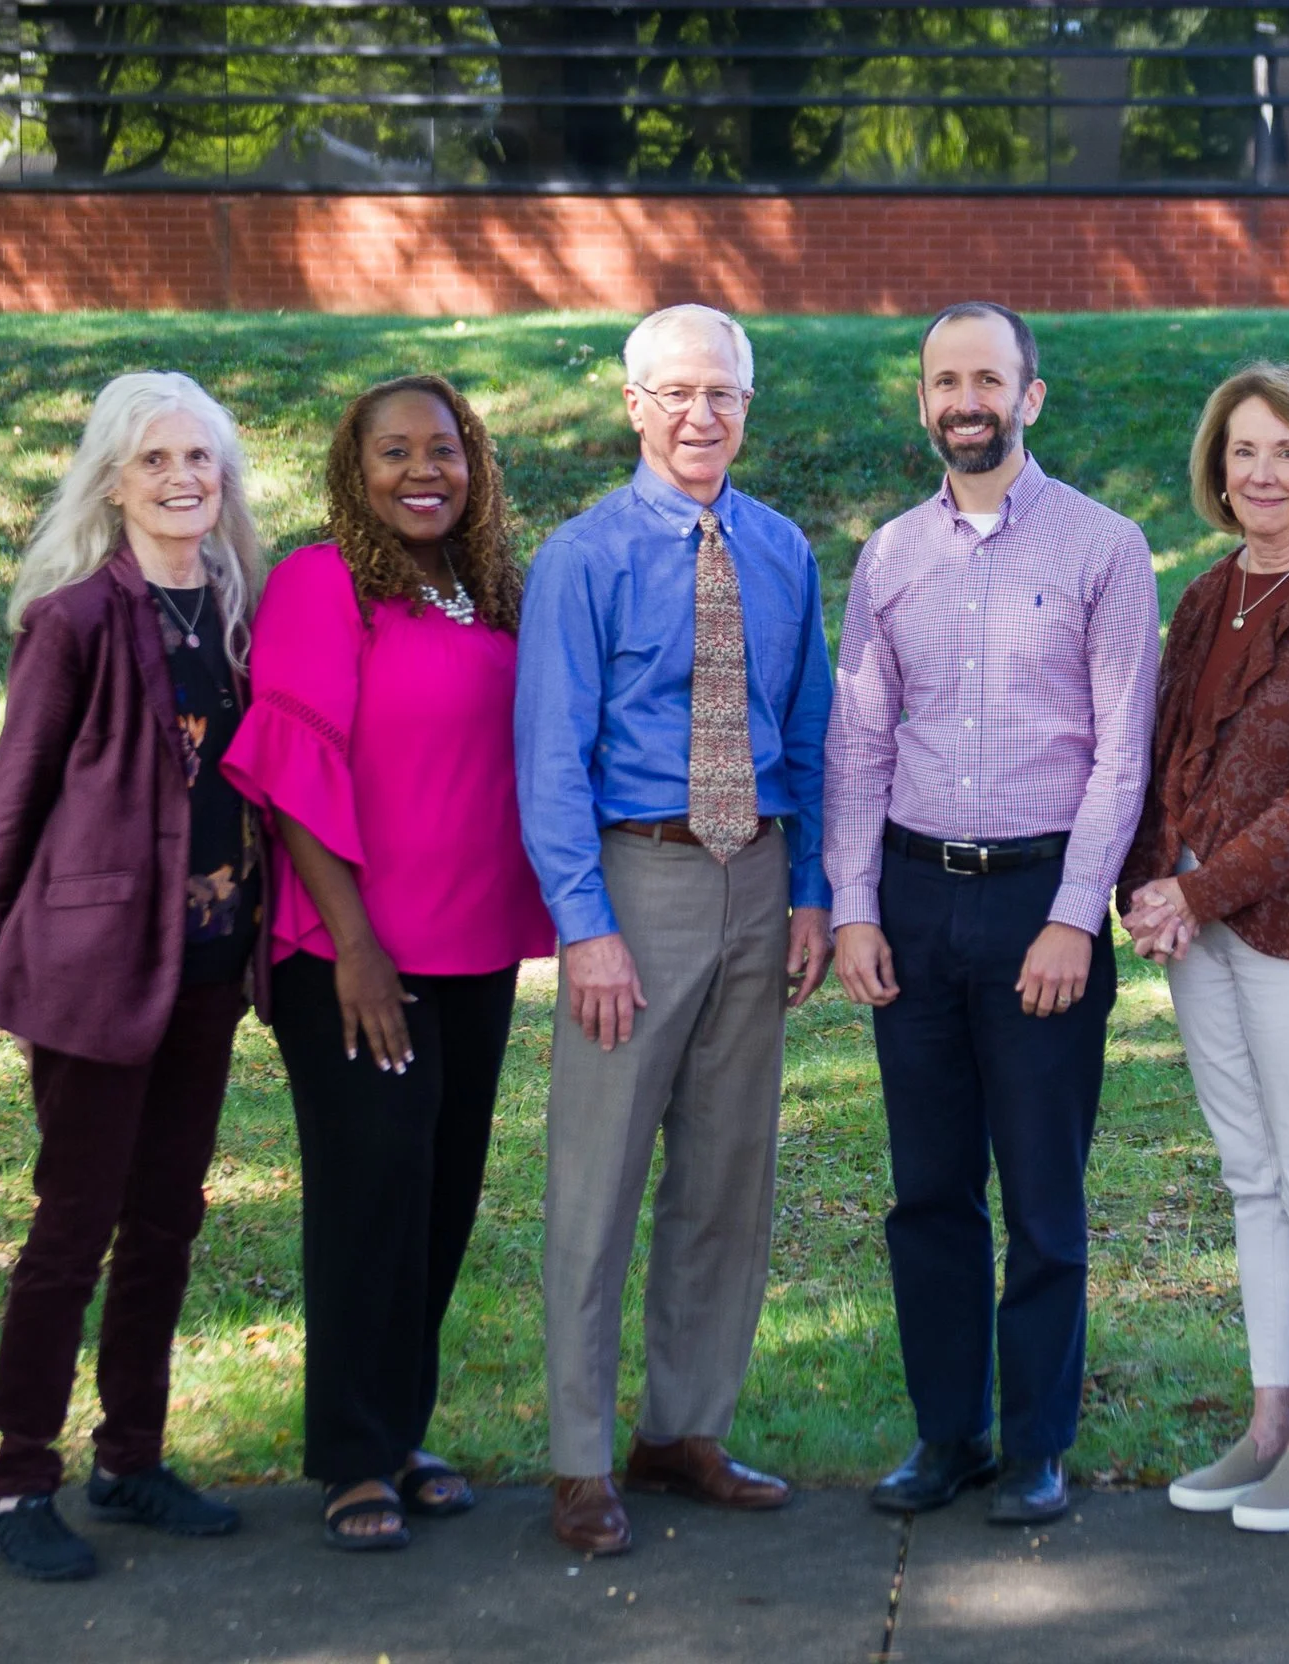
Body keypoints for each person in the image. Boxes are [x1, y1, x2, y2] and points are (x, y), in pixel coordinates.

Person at [827, 300, 1160, 1528]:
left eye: (987, 378)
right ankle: (948, 1433)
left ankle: (1036, 1444)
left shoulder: (1103, 546)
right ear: (923, 400)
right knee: (927, 1189)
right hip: (913, 902)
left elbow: (1121, 752)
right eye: (943, 380)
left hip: (1038, 900)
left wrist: (1075, 916)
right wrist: (854, 906)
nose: (964, 400)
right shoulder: (888, 555)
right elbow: (859, 743)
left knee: (1041, 1196)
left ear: (1030, 395)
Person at [516, 304, 836, 1558]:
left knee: (726, 1173)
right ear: (633, 404)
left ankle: (684, 1427)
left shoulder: (781, 549)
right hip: (635, 880)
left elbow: (807, 728)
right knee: (596, 1183)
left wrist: (810, 888)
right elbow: (550, 758)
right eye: (678, 393)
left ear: (747, 406)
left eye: (723, 393)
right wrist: (584, 928)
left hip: (757, 873)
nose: (701, 415)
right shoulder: (582, 557)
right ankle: (581, 1457)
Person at [221, 375, 554, 1552]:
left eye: (444, 448)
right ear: (353, 470)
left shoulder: (492, 590)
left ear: (475, 462)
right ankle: (353, 1454)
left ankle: (403, 1429)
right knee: (369, 1191)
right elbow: (290, 771)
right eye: (394, 451)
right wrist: (355, 947)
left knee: (441, 1191)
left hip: (474, 942)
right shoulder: (322, 583)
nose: (423, 470)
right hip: (353, 953)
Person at [0, 371, 267, 1580]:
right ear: (112, 480)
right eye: (155, 460)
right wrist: (1, 949)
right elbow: (15, 799)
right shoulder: (75, 621)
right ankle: (19, 1479)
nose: (182, 479)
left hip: (209, 968)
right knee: (73, 1224)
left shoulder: (239, 616)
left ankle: (131, 1457)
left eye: (200, 459)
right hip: (93, 972)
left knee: (167, 1219)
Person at [1116, 365, 1289, 1534]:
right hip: (1196, 931)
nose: (1263, 472)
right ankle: (1270, 1416)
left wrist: (1198, 886)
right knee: (1250, 1175)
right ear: (1217, 470)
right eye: (1243, 451)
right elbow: (1163, 754)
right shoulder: (1204, 595)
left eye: (1287, 451)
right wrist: (1151, 887)